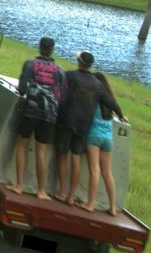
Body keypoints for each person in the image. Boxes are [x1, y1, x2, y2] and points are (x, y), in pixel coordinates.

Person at [54, 51, 126, 206]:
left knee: (62, 155)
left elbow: (59, 89)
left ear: (79, 62)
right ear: (90, 65)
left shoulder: (70, 76)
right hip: (84, 125)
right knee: (76, 158)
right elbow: (110, 101)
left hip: (67, 121)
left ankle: (61, 191)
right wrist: (121, 115)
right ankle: (72, 196)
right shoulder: (98, 84)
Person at [7, 37, 65, 200]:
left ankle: (18, 185)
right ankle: (41, 190)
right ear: (52, 50)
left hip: (30, 111)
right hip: (49, 115)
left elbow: (22, 88)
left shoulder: (30, 64)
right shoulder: (60, 70)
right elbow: (61, 95)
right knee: (41, 152)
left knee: (22, 146)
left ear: (39, 47)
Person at [82, 72, 122, 215]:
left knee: (94, 170)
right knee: (107, 172)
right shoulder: (109, 101)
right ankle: (112, 207)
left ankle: (90, 204)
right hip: (107, 138)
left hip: (94, 136)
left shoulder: (93, 98)